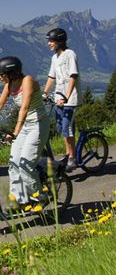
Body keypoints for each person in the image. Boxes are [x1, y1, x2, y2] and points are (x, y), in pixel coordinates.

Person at [0, 56, 49, 206]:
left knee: (25, 166)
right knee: (13, 164)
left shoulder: (28, 81)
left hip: (38, 125)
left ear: (11, 73)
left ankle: (41, 197)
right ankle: (20, 200)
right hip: (25, 126)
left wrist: (15, 131)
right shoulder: (9, 84)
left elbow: (24, 108)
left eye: (2, 74)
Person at [42, 28, 81, 172]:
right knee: (60, 127)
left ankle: (72, 158)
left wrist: (66, 96)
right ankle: (68, 153)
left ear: (59, 41)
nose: (49, 44)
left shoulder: (70, 54)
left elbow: (73, 76)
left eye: (51, 41)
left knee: (66, 128)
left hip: (70, 100)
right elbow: (51, 77)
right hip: (59, 98)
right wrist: (45, 92)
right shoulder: (54, 58)